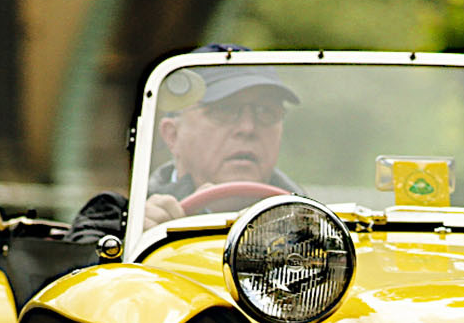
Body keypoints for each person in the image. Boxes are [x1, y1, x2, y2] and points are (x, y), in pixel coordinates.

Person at [66, 45, 299, 242]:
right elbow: (79, 277)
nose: (248, 128)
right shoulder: (117, 221)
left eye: (266, 112)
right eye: (224, 110)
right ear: (172, 135)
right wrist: (139, 244)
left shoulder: (312, 227)